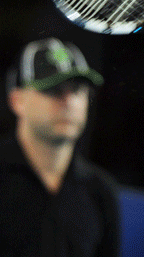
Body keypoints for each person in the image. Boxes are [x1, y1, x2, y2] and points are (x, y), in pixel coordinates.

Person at [0, 37, 121, 257]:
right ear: (17, 100)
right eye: (53, 89)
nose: (69, 102)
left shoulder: (100, 192)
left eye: (77, 90)